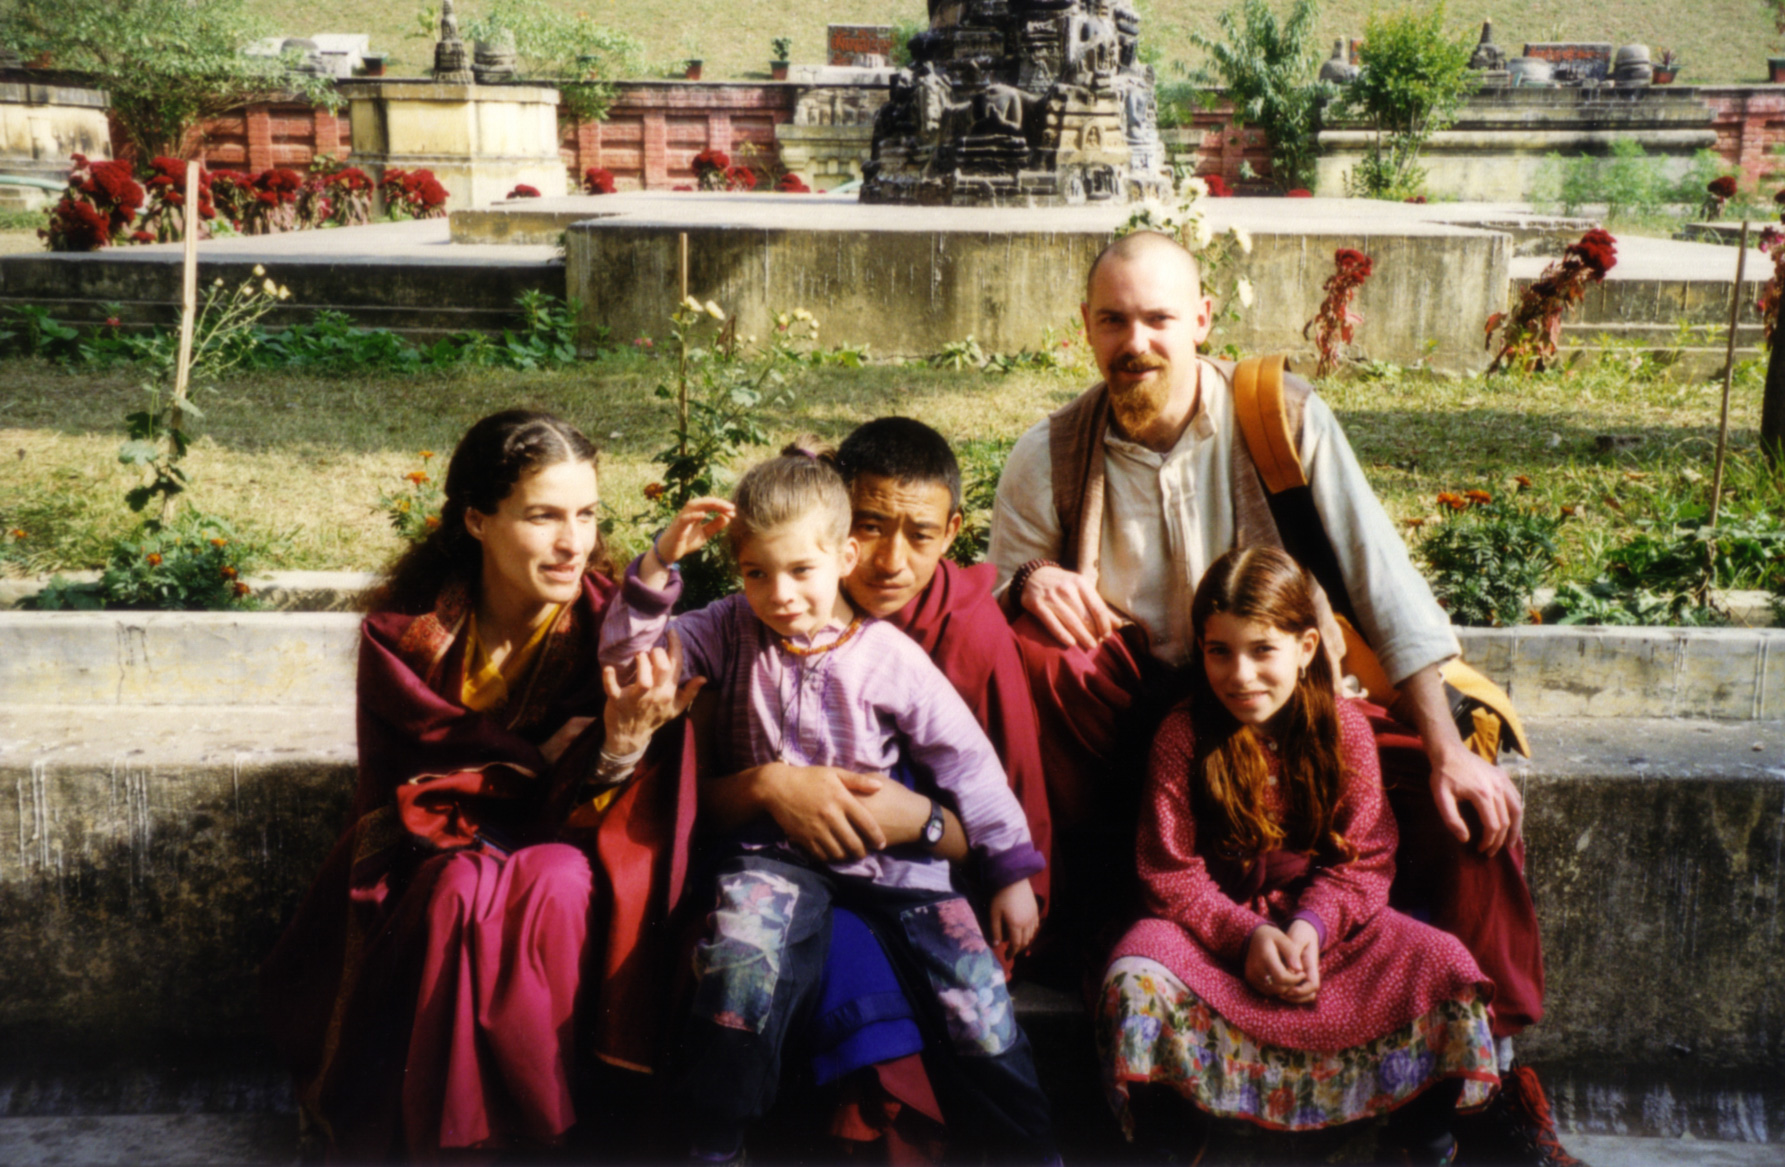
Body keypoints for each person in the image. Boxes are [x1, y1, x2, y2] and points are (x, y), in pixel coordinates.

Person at [988, 230, 1576, 1165]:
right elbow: (994, 601)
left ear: (1201, 321)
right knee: (1036, 656)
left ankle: (1490, 1078)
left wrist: (1449, 747)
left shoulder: (1279, 417)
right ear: (1086, 329)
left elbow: (1383, 587)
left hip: (1299, 707)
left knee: (1456, 810)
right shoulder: (1052, 451)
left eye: (1157, 318)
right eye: (1112, 320)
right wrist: (1024, 587)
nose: (1133, 340)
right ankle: (1082, 924)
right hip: (1143, 727)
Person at [261, 410, 702, 1161]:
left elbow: (631, 814)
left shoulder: (611, 629)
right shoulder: (405, 639)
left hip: (570, 857)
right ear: (476, 519)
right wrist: (535, 757)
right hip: (428, 860)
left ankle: (549, 1131)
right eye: (543, 516)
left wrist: (617, 745)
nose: (574, 543)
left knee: (556, 880)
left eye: (587, 515)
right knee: (462, 887)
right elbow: (408, 794)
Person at [599, 446, 1058, 1165]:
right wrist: (660, 561)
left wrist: (1008, 873)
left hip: (898, 868)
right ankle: (716, 1142)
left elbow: (967, 763)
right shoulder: (726, 628)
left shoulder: (890, 656)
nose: (779, 593)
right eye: (757, 572)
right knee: (741, 974)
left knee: (978, 1008)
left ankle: (1030, 1152)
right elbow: (630, 657)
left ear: (844, 556)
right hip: (774, 858)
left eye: (801, 570)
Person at [1099, 547, 1498, 1164]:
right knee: (1136, 974)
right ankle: (1174, 1143)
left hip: (1327, 933)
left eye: (1263, 650)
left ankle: (1419, 1141)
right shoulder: (1183, 734)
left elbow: (1365, 859)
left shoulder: (1343, 730)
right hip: (1214, 934)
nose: (1240, 675)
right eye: (1220, 651)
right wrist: (1247, 935)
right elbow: (1167, 871)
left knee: (1442, 964)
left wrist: (1311, 925)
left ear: (1307, 647)